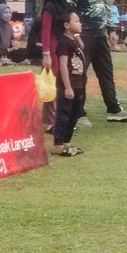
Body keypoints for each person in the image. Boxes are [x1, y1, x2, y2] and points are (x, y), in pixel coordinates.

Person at [51, 9, 88, 157]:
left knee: (74, 114)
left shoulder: (74, 42)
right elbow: (63, 66)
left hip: (79, 83)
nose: (80, 24)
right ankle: (58, 145)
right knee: (64, 114)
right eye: (76, 21)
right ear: (66, 25)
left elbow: (83, 49)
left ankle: (66, 142)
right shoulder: (63, 43)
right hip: (69, 84)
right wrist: (67, 87)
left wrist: (78, 37)